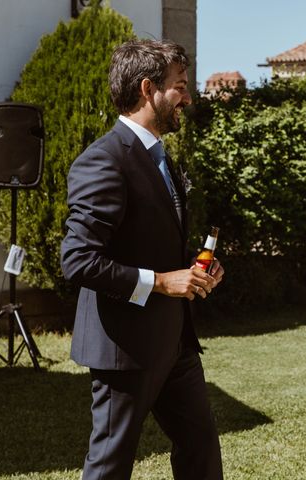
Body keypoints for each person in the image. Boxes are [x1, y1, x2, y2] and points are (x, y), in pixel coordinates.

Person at [61, 39, 224, 479]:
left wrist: (192, 268)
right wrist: (161, 282)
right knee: (110, 466)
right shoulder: (103, 160)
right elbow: (77, 260)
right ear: (149, 88)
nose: (188, 97)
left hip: (175, 343)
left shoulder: (161, 158)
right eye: (180, 86)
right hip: (125, 347)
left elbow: (151, 240)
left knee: (201, 449)